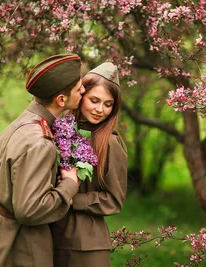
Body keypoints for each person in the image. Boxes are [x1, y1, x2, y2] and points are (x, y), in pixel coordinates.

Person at [0, 54, 85, 267]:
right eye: (79, 89)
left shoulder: (23, 121)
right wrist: (69, 185)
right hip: (21, 247)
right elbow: (29, 211)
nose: (83, 92)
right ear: (61, 100)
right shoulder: (39, 142)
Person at [50, 62, 128, 267]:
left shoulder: (110, 142)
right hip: (48, 236)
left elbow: (114, 200)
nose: (100, 110)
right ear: (80, 95)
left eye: (108, 104)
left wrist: (71, 198)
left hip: (87, 246)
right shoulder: (58, 130)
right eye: (94, 100)